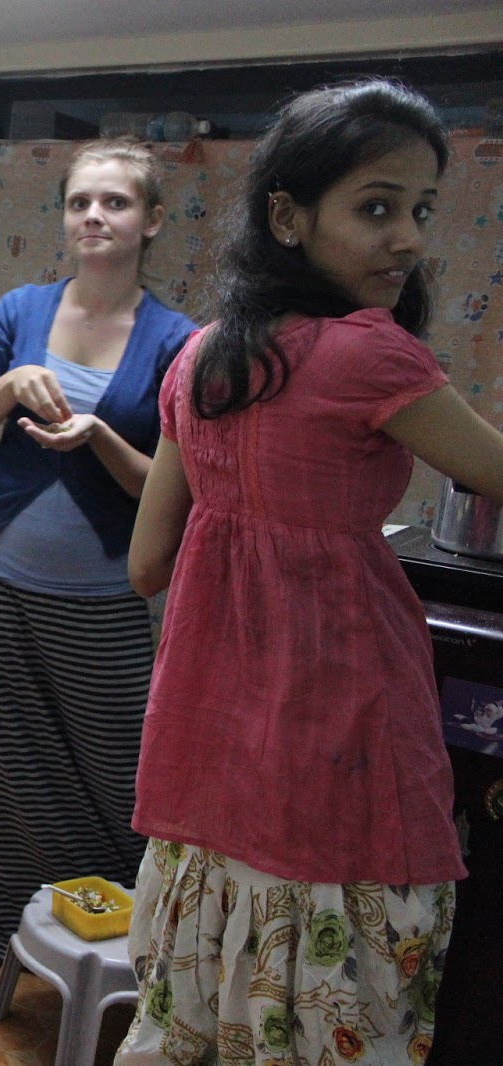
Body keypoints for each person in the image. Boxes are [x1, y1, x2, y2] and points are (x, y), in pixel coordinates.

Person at [120, 79, 503, 1062]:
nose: (407, 238)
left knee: (209, 1025)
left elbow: (146, 563)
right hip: (344, 764)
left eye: (420, 210)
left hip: (209, 769)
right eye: (375, 208)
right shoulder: (372, 354)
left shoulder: (199, 358)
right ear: (287, 217)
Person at [0, 141, 196, 965]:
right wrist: (9, 386)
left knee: (121, 771)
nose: (94, 216)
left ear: (152, 220)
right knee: (0, 756)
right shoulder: (21, 311)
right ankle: (0, 918)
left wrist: (99, 436)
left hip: (105, 597)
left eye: (116, 202)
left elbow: (177, 491)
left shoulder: (178, 342)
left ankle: (135, 942)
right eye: (80, 201)